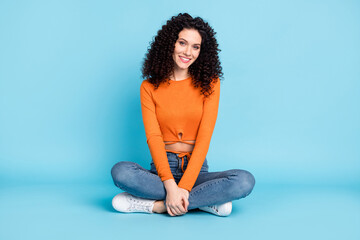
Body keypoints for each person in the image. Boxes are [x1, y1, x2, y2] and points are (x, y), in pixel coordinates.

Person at [110, 13, 255, 217]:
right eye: (182, 43)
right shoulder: (149, 87)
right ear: (170, 43)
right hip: (162, 172)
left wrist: (184, 187)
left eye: (195, 47)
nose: (188, 52)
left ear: (202, 51)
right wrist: (170, 186)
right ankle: (202, 202)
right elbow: (154, 138)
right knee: (121, 172)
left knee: (244, 180)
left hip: (196, 171)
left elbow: (204, 138)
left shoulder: (211, 84)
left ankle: (156, 205)